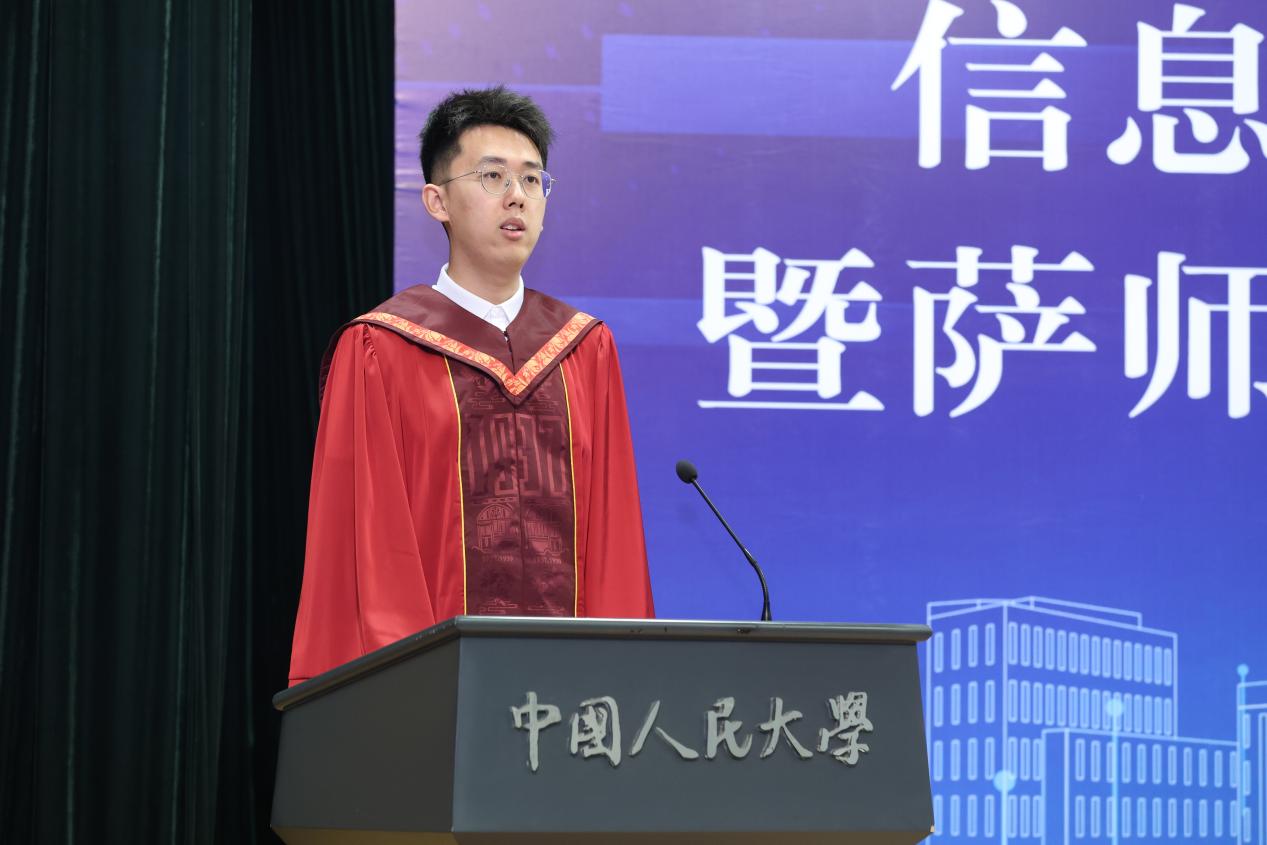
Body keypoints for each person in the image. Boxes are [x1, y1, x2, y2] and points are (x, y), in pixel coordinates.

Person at [288, 87, 654, 686]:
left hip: (574, 695)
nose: (517, 195)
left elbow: (614, 540)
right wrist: (406, 685)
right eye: (492, 176)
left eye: (532, 179)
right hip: (434, 690)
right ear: (437, 201)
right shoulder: (381, 347)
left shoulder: (584, 349)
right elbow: (368, 549)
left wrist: (620, 675)